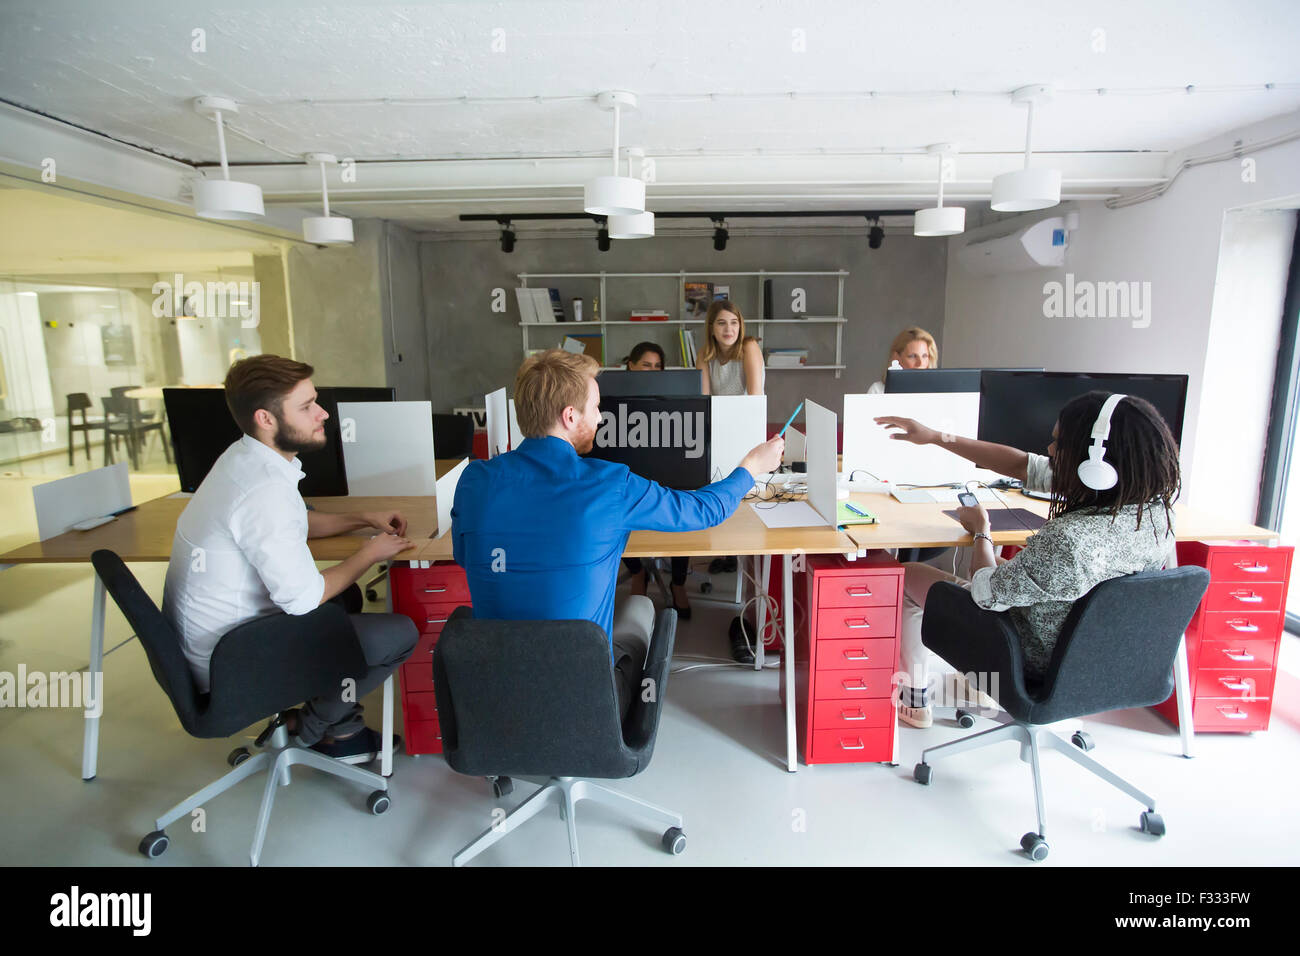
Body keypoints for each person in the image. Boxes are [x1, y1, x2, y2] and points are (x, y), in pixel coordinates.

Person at [452, 349, 784, 718]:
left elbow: (466, 558)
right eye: (595, 407)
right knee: (641, 607)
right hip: (584, 701)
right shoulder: (609, 484)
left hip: (492, 698)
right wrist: (751, 467)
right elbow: (704, 510)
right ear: (570, 416)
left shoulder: (474, 480)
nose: (601, 416)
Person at [162, 355, 418, 760]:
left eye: (315, 401)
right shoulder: (264, 491)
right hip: (236, 663)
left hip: (219, 643)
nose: (322, 414)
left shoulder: (244, 460)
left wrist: (360, 519)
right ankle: (311, 729)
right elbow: (301, 599)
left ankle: (342, 727)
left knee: (347, 599)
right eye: (306, 407)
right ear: (266, 418)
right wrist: (372, 552)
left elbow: (296, 522)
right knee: (400, 634)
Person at [874, 392, 1179, 728]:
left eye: (1058, 443)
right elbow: (1022, 465)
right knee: (1005, 570)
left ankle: (915, 700)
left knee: (907, 576)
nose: (1049, 451)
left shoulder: (1069, 541)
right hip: (1094, 660)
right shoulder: (1156, 517)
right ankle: (977, 687)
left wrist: (981, 531)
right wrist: (934, 436)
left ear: (1096, 462)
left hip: (1025, 658)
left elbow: (984, 590)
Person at [618, 342, 694, 618]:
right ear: (631, 366)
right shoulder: (615, 395)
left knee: (681, 506)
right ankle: (638, 573)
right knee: (616, 505)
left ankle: (678, 583)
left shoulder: (670, 395)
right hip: (629, 468)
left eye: (657, 366)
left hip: (665, 468)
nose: (652, 371)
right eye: (645, 365)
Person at [697, 300, 764, 396]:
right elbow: (703, 401)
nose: (728, 329)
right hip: (717, 411)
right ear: (711, 329)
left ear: (740, 326)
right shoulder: (704, 353)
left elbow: (754, 398)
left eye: (734, 323)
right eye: (721, 323)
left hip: (749, 410)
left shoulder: (749, 346)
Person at [866, 326, 938, 394]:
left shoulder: (938, 391)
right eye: (912, 356)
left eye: (924, 356)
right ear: (896, 358)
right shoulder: (878, 390)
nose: (920, 363)